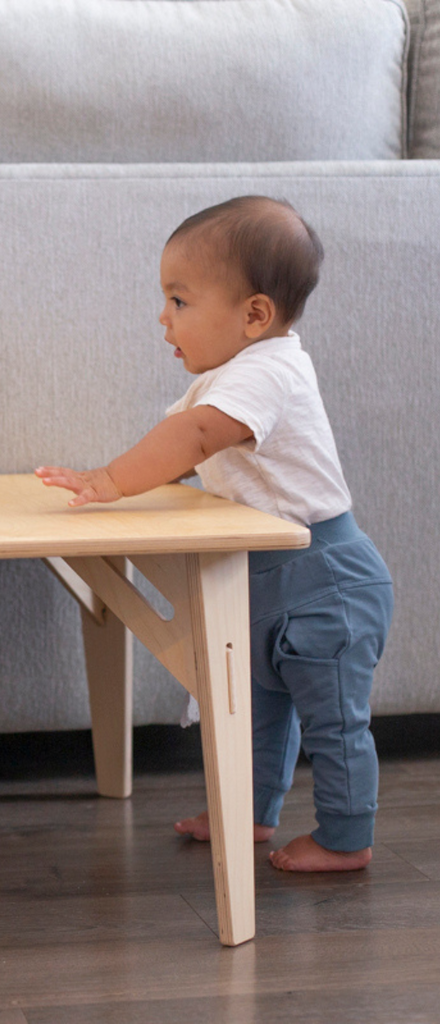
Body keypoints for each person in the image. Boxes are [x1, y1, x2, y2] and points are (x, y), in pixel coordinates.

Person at [36, 196, 393, 872]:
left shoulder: (269, 370)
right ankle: (250, 813)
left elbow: (194, 439)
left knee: (332, 723)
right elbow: (187, 452)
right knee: (254, 707)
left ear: (254, 315)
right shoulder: (221, 379)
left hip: (326, 578)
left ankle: (347, 838)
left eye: (179, 300)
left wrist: (110, 480)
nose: (162, 317)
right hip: (266, 574)